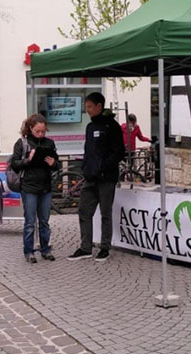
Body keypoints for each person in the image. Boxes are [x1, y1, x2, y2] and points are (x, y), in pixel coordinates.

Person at [68, 92, 124, 262]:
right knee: (84, 212)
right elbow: (88, 151)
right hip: (90, 178)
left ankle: (104, 247)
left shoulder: (112, 126)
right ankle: (85, 247)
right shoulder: (90, 127)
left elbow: (119, 152)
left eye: (90, 107)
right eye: (86, 107)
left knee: (105, 213)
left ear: (99, 106)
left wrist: (103, 167)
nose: (88, 110)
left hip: (106, 178)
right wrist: (86, 168)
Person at [10, 114, 59, 263]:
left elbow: (56, 164)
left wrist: (53, 163)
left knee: (44, 221)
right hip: (29, 187)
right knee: (30, 222)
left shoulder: (49, 143)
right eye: (38, 131)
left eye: (43, 131)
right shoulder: (22, 143)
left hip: (45, 187)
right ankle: (29, 251)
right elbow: (14, 164)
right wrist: (28, 160)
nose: (41, 134)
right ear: (30, 128)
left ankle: (45, 249)